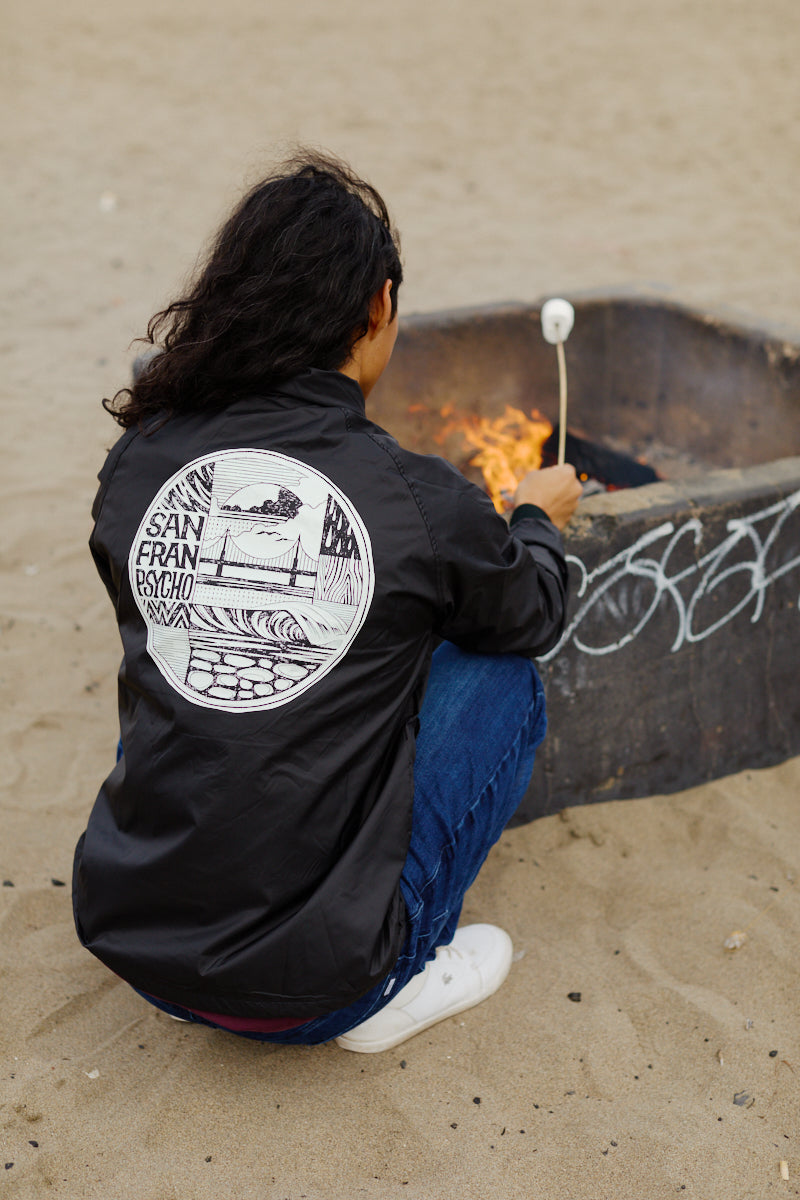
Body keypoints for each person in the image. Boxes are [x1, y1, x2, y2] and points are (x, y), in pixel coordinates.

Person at [72, 151, 581, 1053]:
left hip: (141, 952)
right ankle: (397, 981)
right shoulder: (417, 496)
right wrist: (536, 521)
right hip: (319, 988)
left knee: (187, 650)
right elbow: (532, 613)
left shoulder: (142, 455)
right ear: (378, 307)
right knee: (502, 676)